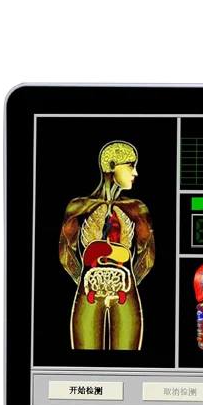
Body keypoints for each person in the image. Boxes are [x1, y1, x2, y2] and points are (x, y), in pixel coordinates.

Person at [58, 140, 155, 350]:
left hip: (120, 289)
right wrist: (89, 282)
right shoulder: (79, 206)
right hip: (93, 289)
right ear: (111, 166)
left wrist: (125, 284)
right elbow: (65, 252)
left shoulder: (136, 208)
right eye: (131, 165)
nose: (135, 173)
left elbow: (147, 255)